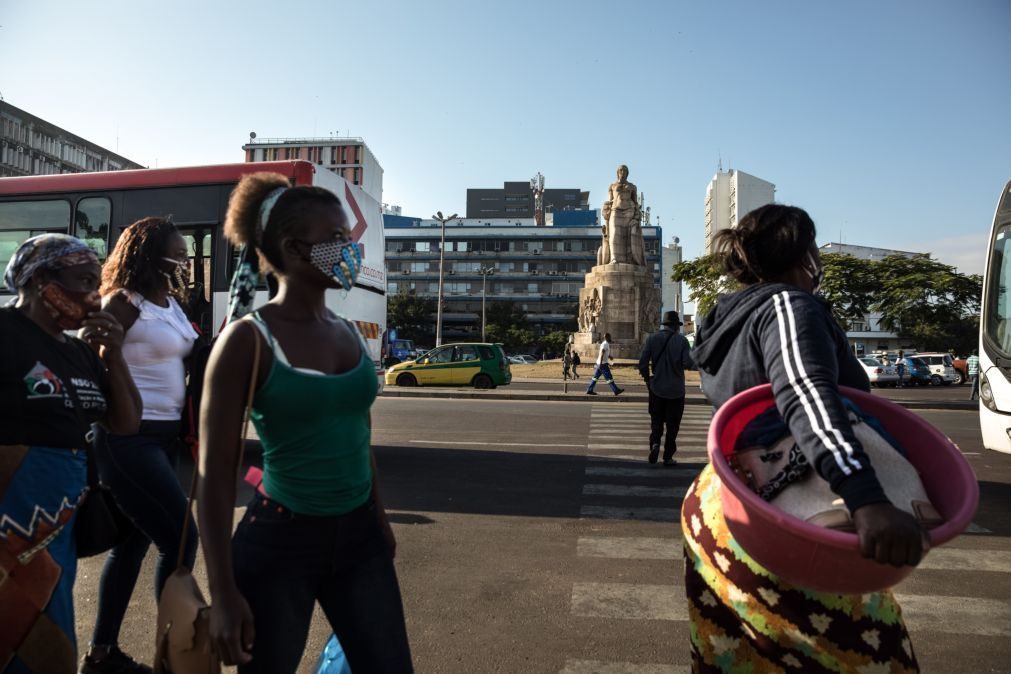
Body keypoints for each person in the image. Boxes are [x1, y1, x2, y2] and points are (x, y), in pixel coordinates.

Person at [686, 204, 925, 672]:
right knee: (864, 656)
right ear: (803, 255)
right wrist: (866, 499)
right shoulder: (787, 307)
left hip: (726, 505)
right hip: (793, 512)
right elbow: (805, 395)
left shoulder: (724, 320)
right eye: (814, 249)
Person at [197, 173, 412, 673]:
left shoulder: (349, 334)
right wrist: (222, 592)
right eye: (336, 239)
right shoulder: (246, 341)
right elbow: (212, 476)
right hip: (278, 543)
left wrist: (378, 520)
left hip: (360, 540)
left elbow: (360, 435)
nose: (349, 249)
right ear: (294, 249)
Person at [0, 234, 141, 674]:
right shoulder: (5, 334)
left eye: (97, 282)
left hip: (59, 513)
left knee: (51, 624)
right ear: (42, 280)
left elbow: (126, 422)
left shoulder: (80, 351)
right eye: (83, 280)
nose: (94, 295)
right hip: (11, 509)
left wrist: (114, 356)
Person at [81, 218, 199, 674]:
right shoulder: (125, 301)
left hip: (165, 437)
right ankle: (174, 653)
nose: (185, 261)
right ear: (148, 255)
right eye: (178, 253)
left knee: (130, 545)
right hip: (127, 438)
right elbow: (91, 353)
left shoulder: (169, 303)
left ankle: (101, 654)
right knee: (180, 539)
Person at [638, 311, 693, 466]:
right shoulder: (682, 341)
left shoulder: (652, 339)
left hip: (656, 388)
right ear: (676, 326)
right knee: (673, 425)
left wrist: (648, 380)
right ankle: (668, 457)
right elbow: (687, 363)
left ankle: (655, 443)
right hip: (676, 390)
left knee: (656, 420)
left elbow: (642, 363)